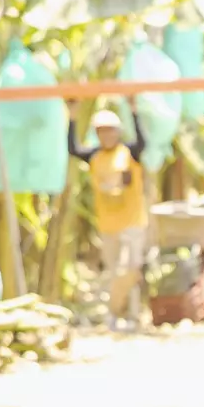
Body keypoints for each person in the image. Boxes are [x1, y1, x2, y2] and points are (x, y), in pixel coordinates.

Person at [68, 102, 148, 329]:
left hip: (133, 222)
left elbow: (143, 141)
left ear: (118, 132)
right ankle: (119, 315)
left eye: (111, 130)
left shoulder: (129, 153)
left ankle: (130, 315)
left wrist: (134, 110)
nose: (107, 135)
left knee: (130, 270)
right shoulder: (94, 156)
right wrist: (73, 117)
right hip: (108, 224)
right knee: (116, 273)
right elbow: (73, 148)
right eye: (102, 131)